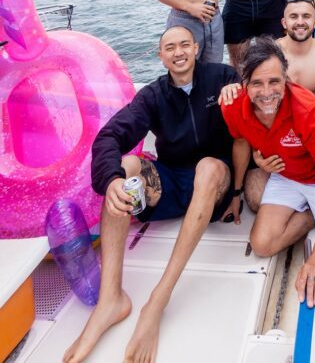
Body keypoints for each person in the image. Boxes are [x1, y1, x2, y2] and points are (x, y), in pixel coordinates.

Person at [64, 26, 241, 363]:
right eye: (169, 47)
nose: (178, 52)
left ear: (196, 48)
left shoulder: (222, 76)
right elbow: (109, 137)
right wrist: (111, 180)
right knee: (128, 165)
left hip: (214, 181)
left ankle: (157, 301)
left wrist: (239, 90)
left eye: (184, 45)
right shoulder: (153, 95)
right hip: (172, 183)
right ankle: (110, 299)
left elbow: (262, 103)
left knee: (207, 167)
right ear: (160, 56)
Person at [220, 37, 315, 308]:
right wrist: (236, 191)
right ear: (243, 83)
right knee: (262, 244)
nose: (267, 93)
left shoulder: (308, 110)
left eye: (274, 82)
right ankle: (314, 215)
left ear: (286, 78)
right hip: (286, 174)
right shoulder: (232, 105)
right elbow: (242, 142)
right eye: (256, 83)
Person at [219, 0, 315, 213]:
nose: (300, 22)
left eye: (306, 16)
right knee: (256, 200)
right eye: (293, 16)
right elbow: (251, 91)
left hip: (310, 123)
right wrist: (230, 87)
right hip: (275, 131)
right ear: (284, 23)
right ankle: (307, 205)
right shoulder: (268, 55)